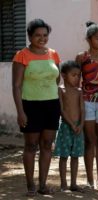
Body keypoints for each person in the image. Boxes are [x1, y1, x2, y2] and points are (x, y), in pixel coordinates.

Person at [12, 18, 60, 196]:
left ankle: (43, 185)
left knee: (47, 144)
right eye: (37, 35)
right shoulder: (21, 55)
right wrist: (20, 112)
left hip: (52, 105)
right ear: (30, 36)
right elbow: (16, 86)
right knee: (31, 146)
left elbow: (56, 79)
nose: (42, 38)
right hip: (31, 106)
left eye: (45, 35)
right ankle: (30, 185)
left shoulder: (54, 54)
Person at [75, 21, 98, 190]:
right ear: (88, 39)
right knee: (90, 141)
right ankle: (90, 179)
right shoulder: (81, 57)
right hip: (87, 101)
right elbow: (75, 80)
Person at [53, 61, 84, 193]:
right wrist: (71, 124)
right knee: (64, 156)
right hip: (66, 127)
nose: (77, 78)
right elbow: (62, 110)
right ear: (64, 75)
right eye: (73, 75)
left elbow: (82, 109)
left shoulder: (79, 91)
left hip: (78, 128)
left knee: (75, 156)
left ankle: (73, 183)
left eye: (78, 75)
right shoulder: (61, 90)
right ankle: (63, 184)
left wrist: (81, 124)